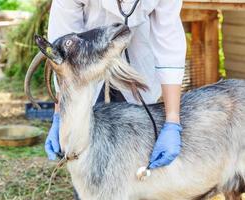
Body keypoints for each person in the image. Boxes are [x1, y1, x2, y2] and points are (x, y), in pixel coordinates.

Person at [45, 0, 186, 170]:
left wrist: (172, 121)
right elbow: (62, 57)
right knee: (86, 152)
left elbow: (169, 43)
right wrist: (59, 113)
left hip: (137, 60)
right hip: (87, 66)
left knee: (135, 149)